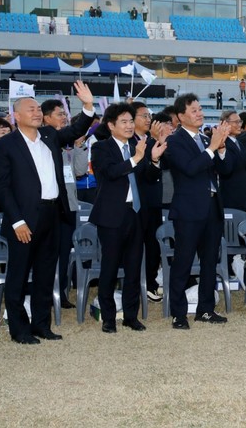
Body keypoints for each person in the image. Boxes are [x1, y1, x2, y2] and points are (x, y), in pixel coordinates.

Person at [0, 81, 95, 344]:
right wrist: (17, 221)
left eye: (38, 109)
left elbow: (76, 129)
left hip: (52, 215)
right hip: (23, 220)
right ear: (16, 116)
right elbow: (2, 188)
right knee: (18, 276)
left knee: (46, 274)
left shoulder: (49, 136)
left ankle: (41, 325)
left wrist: (87, 106)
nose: (37, 112)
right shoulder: (6, 145)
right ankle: (19, 330)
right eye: (31, 109)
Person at [89, 103, 166, 334]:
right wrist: (136, 158)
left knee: (134, 268)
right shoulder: (101, 148)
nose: (129, 125)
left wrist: (153, 160)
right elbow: (110, 173)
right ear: (111, 125)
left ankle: (131, 316)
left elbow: (148, 178)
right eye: (123, 121)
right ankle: (108, 318)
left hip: (136, 213)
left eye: (131, 121)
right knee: (110, 268)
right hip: (112, 216)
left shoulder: (136, 146)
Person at [164, 94, 234, 329]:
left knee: (209, 262)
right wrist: (213, 147)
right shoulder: (175, 141)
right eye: (194, 110)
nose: (200, 113)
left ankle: (205, 309)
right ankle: (178, 314)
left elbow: (225, 169)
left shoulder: (206, 139)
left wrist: (221, 148)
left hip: (212, 208)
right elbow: (190, 168)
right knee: (183, 262)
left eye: (200, 108)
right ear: (181, 116)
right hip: (188, 211)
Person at [40, 99, 85, 310]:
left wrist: (78, 147)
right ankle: (44, 292)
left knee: (65, 252)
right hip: (49, 207)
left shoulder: (68, 148)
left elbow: (80, 171)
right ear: (46, 118)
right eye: (59, 114)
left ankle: (62, 292)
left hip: (69, 207)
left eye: (64, 114)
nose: (64, 118)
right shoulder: (41, 143)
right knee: (47, 253)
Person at [130, 102, 166, 303]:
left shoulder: (152, 139)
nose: (148, 119)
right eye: (143, 116)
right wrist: (152, 140)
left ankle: (150, 283)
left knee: (153, 245)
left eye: (149, 115)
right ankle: (135, 284)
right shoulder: (129, 141)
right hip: (135, 202)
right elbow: (140, 169)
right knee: (134, 246)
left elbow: (157, 167)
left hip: (153, 200)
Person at [218, 110, 246, 212]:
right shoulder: (221, 143)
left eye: (240, 121)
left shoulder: (239, 143)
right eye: (236, 122)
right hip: (231, 198)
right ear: (225, 124)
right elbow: (225, 169)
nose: (239, 125)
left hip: (245, 196)